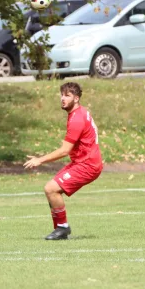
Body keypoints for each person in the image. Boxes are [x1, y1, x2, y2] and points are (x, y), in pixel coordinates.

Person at [24, 82, 102, 240]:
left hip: (87, 165)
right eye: (62, 95)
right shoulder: (79, 113)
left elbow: (64, 150)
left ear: (77, 98)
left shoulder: (76, 119)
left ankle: (62, 228)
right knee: (51, 190)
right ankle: (60, 228)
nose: (63, 98)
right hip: (83, 162)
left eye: (67, 95)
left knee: (51, 189)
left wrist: (40, 160)